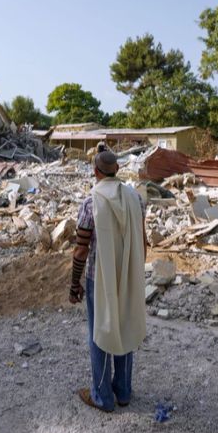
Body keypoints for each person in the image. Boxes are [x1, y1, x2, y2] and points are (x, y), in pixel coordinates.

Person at [69, 146, 147, 412]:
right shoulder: (135, 198)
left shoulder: (91, 203)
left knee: (99, 331)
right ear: (117, 171)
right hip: (129, 273)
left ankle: (102, 396)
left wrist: (73, 283)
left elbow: (81, 249)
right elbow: (143, 240)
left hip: (97, 277)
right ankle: (123, 391)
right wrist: (137, 273)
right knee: (124, 325)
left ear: (95, 171)